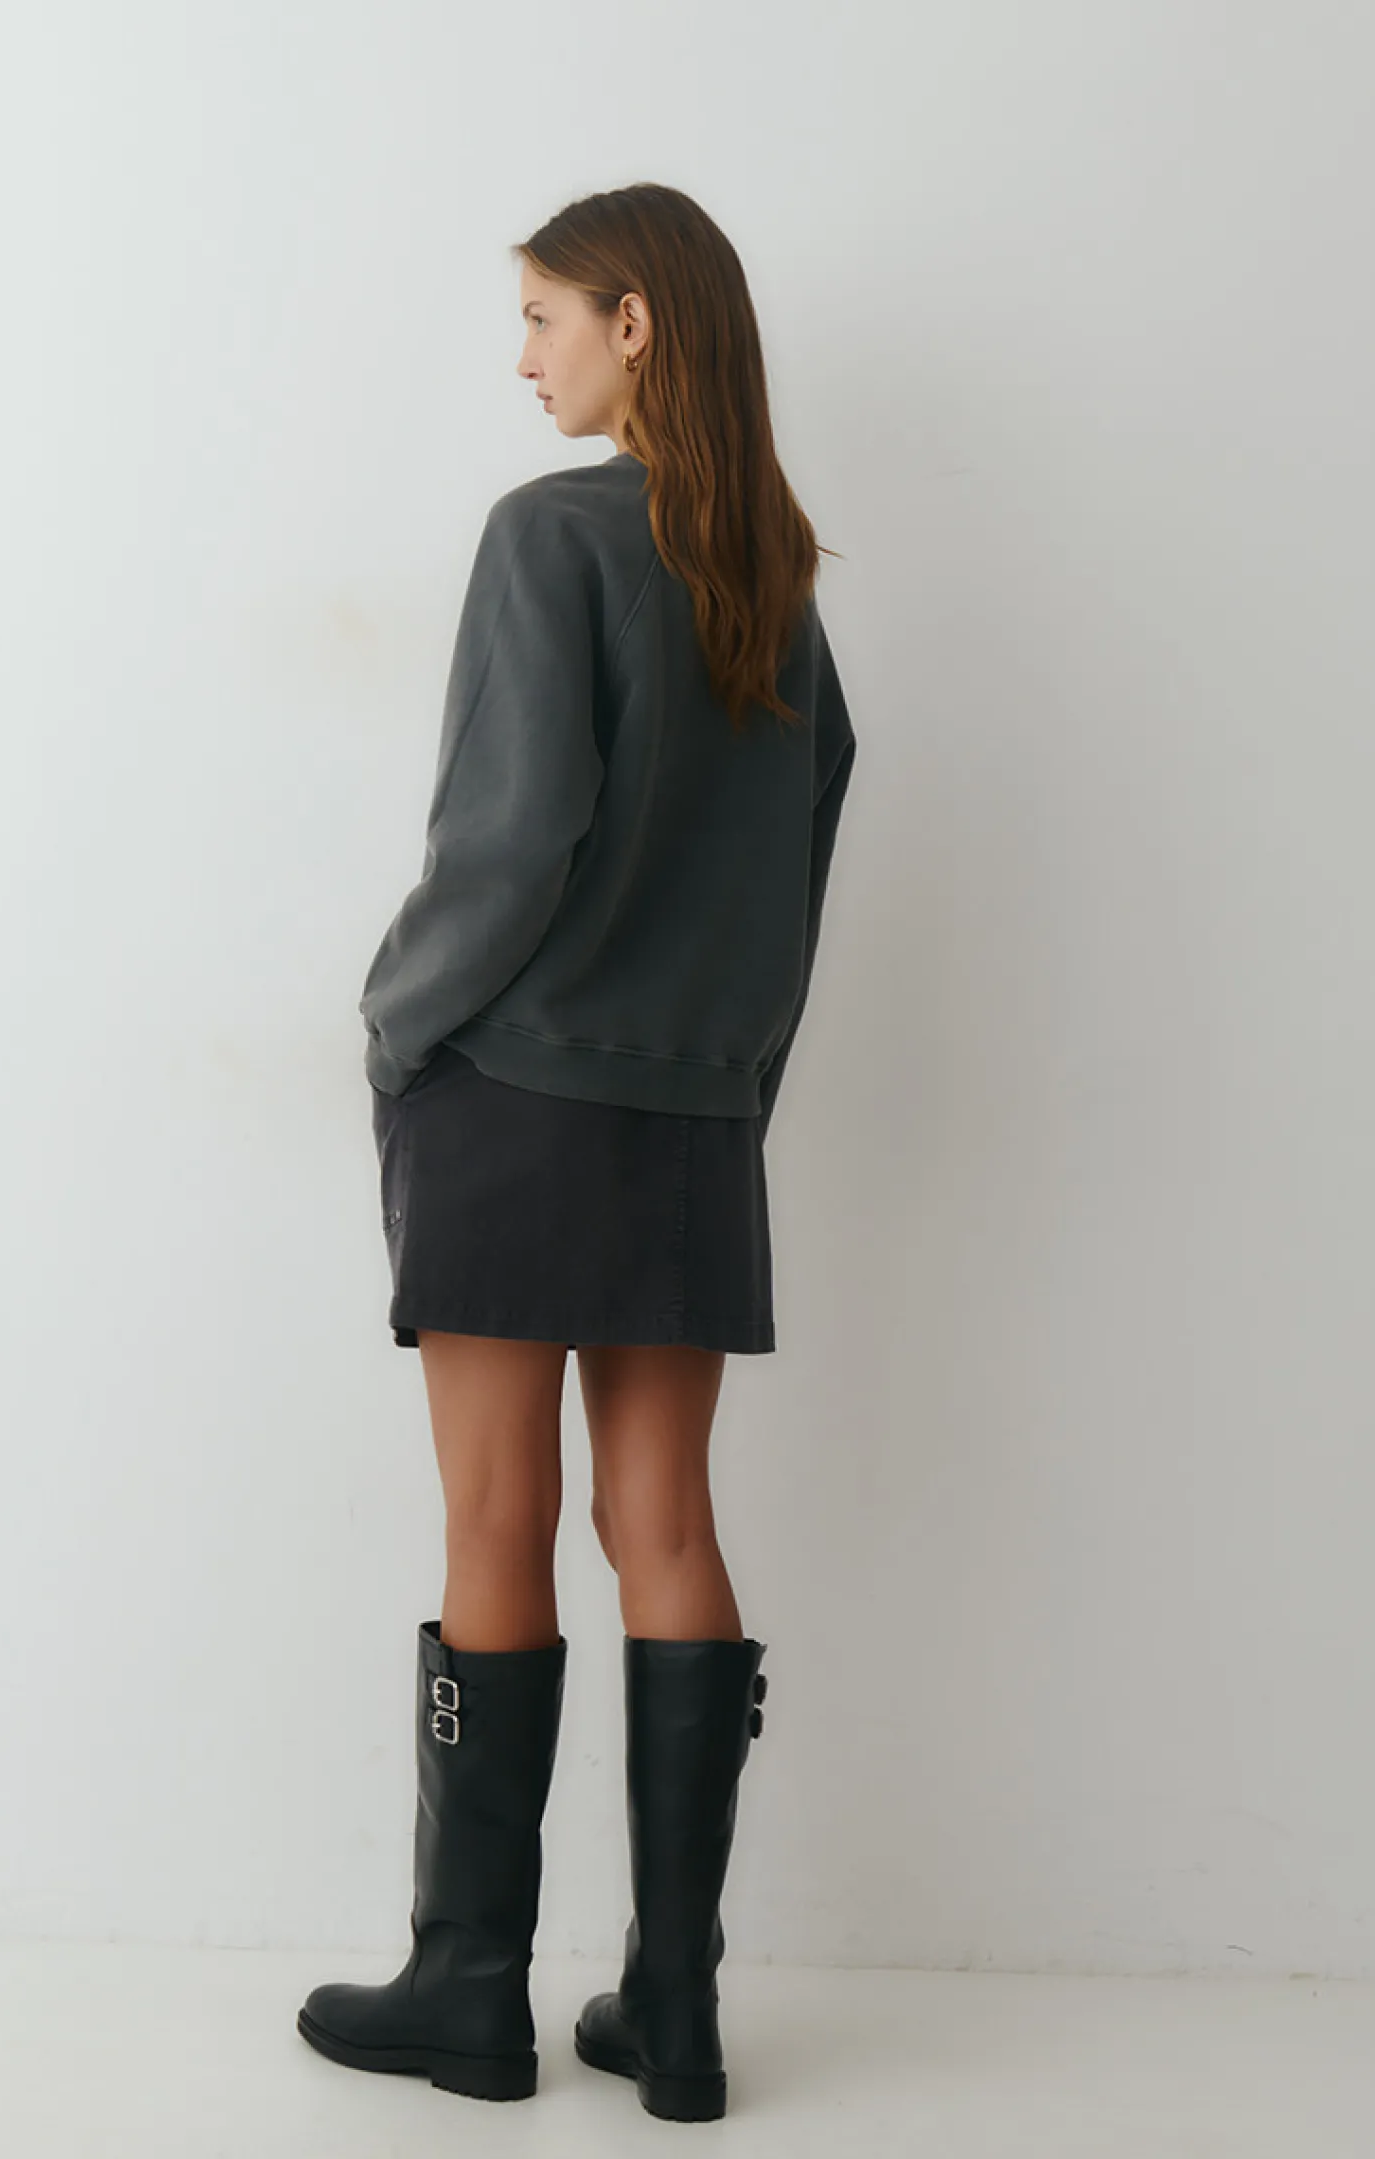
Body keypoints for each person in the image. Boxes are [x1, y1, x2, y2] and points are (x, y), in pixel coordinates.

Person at [297, 182, 856, 2122]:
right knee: (666, 1524)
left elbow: (508, 837)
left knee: (493, 1519)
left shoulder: (550, 535)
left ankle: (470, 1984)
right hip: (692, 1118)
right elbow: (805, 844)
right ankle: (673, 2009)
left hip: (515, 1097)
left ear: (634, 321)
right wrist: (731, 1072)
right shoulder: (773, 573)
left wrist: (396, 1024)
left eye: (543, 315)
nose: (521, 354)